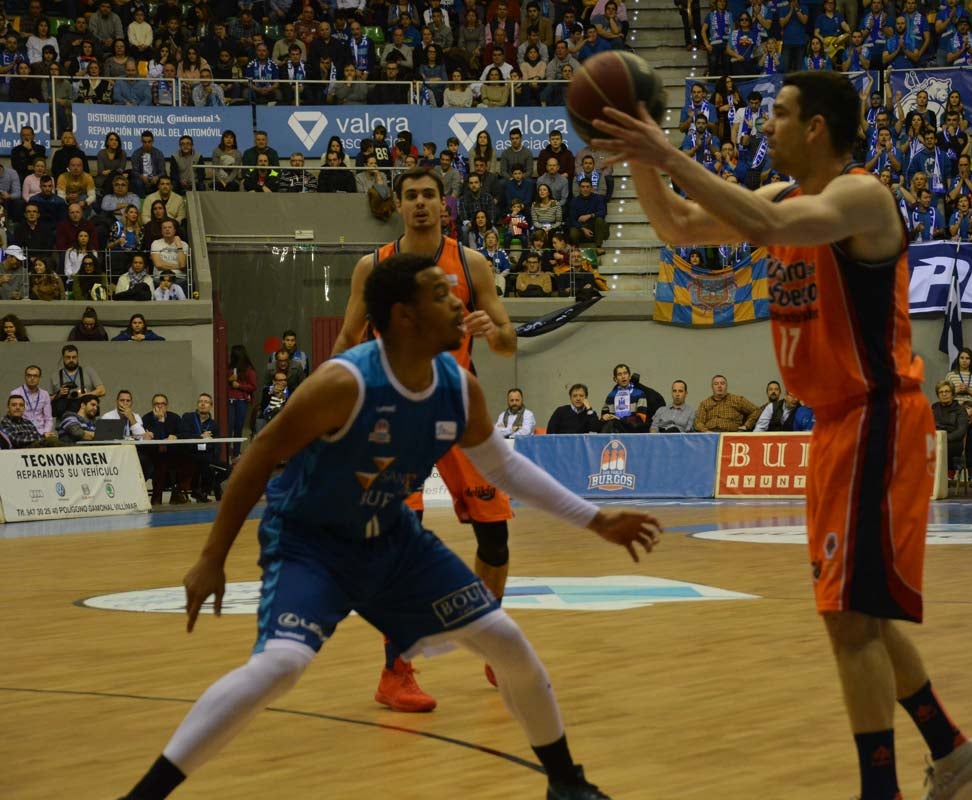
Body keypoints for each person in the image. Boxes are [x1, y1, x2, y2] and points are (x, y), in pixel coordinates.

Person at [596, 70, 972, 800]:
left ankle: (883, 790)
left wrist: (667, 153)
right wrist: (639, 152)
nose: (767, 126)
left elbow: (775, 230)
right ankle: (955, 754)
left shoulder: (861, 198)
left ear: (816, 127)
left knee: (850, 622)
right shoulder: (784, 198)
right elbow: (679, 228)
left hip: (877, 416)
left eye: (780, 114)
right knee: (856, 616)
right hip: (836, 428)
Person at [118, 253, 658, 800]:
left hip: (392, 539)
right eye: (441, 295)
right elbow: (259, 454)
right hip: (312, 542)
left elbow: (502, 466)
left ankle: (566, 784)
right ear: (405, 316)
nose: (457, 302)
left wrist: (595, 518)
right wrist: (212, 556)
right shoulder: (344, 382)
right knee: (281, 665)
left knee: (506, 640)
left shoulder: (459, 386)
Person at [332, 169, 522, 712]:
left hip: (461, 415)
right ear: (398, 205)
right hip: (396, 421)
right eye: (410, 196)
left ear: (445, 205)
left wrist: (494, 330)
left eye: (429, 196)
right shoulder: (374, 266)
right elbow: (347, 340)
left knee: (496, 541)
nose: (420, 204)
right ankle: (395, 674)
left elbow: (507, 342)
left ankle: (493, 646)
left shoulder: (472, 263)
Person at [932, 380, 969, 479]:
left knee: (939, 448)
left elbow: (961, 431)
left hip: (953, 442)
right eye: (941, 392)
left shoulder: (960, 410)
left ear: (952, 394)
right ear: (938, 395)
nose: (944, 394)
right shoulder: (934, 408)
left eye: (947, 391)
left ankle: (940, 478)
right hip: (935, 440)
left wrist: (943, 439)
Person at [9, 364, 55, 439]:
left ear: (39, 378)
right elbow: (13, 418)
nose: (32, 378)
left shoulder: (45, 394)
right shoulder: (15, 393)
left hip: (42, 432)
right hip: (24, 432)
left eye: (35, 376)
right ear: (25, 377)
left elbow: (48, 418)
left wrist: (45, 433)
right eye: (29, 375)